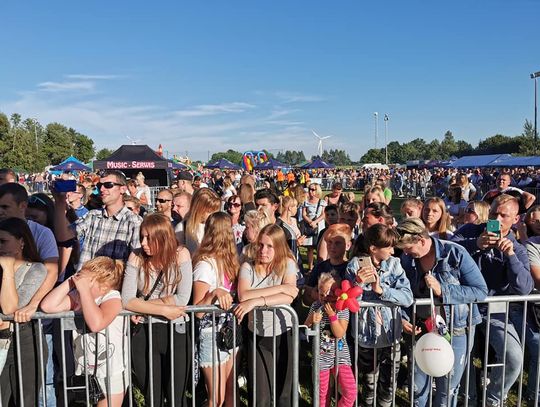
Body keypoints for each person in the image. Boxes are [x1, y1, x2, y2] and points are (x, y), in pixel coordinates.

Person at [396, 217, 488, 407]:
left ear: (421, 240)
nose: (405, 252)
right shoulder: (407, 259)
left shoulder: (455, 252)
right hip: (420, 330)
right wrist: (404, 318)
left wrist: (442, 290)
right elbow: (404, 293)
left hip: (456, 331)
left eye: (408, 248)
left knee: (447, 391)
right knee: (418, 390)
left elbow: (480, 291)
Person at [452, 194, 534, 405]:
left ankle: (493, 398)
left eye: (503, 215)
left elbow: (524, 288)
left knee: (514, 358)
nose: (496, 218)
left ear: (515, 219)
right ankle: (468, 397)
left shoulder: (518, 249)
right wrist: (475, 245)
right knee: (461, 356)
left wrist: (511, 258)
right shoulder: (469, 231)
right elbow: (448, 253)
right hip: (465, 307)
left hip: (496, 310)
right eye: (494, 212)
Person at [121, 213, 192, 406]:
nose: (143, 243)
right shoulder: (136, 256)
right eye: (142, 237)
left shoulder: (181, 254)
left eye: (149, 238)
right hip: (144, 331)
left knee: (177, 395)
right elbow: (127, 300)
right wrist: (163, 309)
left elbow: (182, 298)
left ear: (162, 238)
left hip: (174, 330)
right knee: (152, 395)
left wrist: (143, 307)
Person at [41, 257, 128, 407]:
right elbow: (48, 306)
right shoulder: (80, 296)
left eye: (86, 281)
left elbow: (96, 324)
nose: (80, 283)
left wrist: (84, 290)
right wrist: (70, 281)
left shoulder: (112, 297)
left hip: (110, 372)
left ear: (103, 286)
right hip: (86, 371)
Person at [347, 223, 413, 407]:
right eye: (389, 247)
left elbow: (407, 297)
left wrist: (381, 290)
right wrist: (358, 283)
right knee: (369, 382)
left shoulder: (395, 265)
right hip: (366, 337)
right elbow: (350, 300)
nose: (393, 251)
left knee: (389, 383)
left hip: (392, 336)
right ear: (373, 249)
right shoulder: (355, 266)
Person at [234, 224, 299, 407]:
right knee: (260, 397)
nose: (263, 250)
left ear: (279, 246)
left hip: (284, 333)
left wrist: (256, 301)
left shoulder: (288, 263)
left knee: (283, 395)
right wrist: (281, 288)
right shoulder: (248, 266)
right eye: (261, 245)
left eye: (270, 246)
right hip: (258, 335)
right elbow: (243, 295)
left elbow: (290, 296)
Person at [193, 212, 240, 407]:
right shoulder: (205, 265)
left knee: (230, 392)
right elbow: (197, 310)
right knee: (216, 398)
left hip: (229, 332)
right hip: (211, 334)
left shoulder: (231, 262)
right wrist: (213, 294)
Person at [53, 170, 142, 271]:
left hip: (111, 285)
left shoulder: (135, 222)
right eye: (100, 185)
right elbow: (63, 236)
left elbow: (135, 265)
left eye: (108, 185)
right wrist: (60, 202)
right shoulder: (92, 215)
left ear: (122, 189)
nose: (102, 189)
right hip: (81, 282)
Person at [0, 217, 47, 406]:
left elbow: (10, 308)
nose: (0, 247)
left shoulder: (36, 269)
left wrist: (8, 269)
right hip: (3, 341)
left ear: (21, 242)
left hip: (26, 343)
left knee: (25, 400)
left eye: (4, 241)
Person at [0, 183, 59, 321]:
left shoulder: (42, 233)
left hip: (28, 317)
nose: (0, 211)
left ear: (22, 206)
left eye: (5, 207)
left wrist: (34, 304)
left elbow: (51, 271)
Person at [305, 273, 356, 407]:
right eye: (322, 295)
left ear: (339, 293)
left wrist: (332, 316)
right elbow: (306, 326)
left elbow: (339, 332)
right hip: (321, 356)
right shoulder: (316, 306)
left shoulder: (343, 309)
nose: (325, 298)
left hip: (340, 355)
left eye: (330, 294)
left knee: (350, 392)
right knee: (322, 395)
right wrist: (311, 320)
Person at [304, 224, 352, 306]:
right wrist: (317, 296)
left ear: (347, 245)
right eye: (330, 242)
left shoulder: (350, 269)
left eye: (338, 243)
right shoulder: (320, 267)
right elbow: (306, 299)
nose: (332, 246)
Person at [175, 187, 221, 256]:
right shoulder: (182, 228)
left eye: (216, 211)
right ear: (198, 209)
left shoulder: (217, 226)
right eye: (209, 211)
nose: (213, 215)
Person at [301, 183, 326, 271]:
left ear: (317, 190)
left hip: (319, 226)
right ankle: (310, 267)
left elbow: (323, 214)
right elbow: (304, 214)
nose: (310, 191)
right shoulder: (305, 202)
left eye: (313, 189)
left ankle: (320, 266)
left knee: (319, 246)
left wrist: (315, 222)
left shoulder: (322, 202)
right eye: (309, 189)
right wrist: (310, 222)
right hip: (309, 226)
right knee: (310, 248)